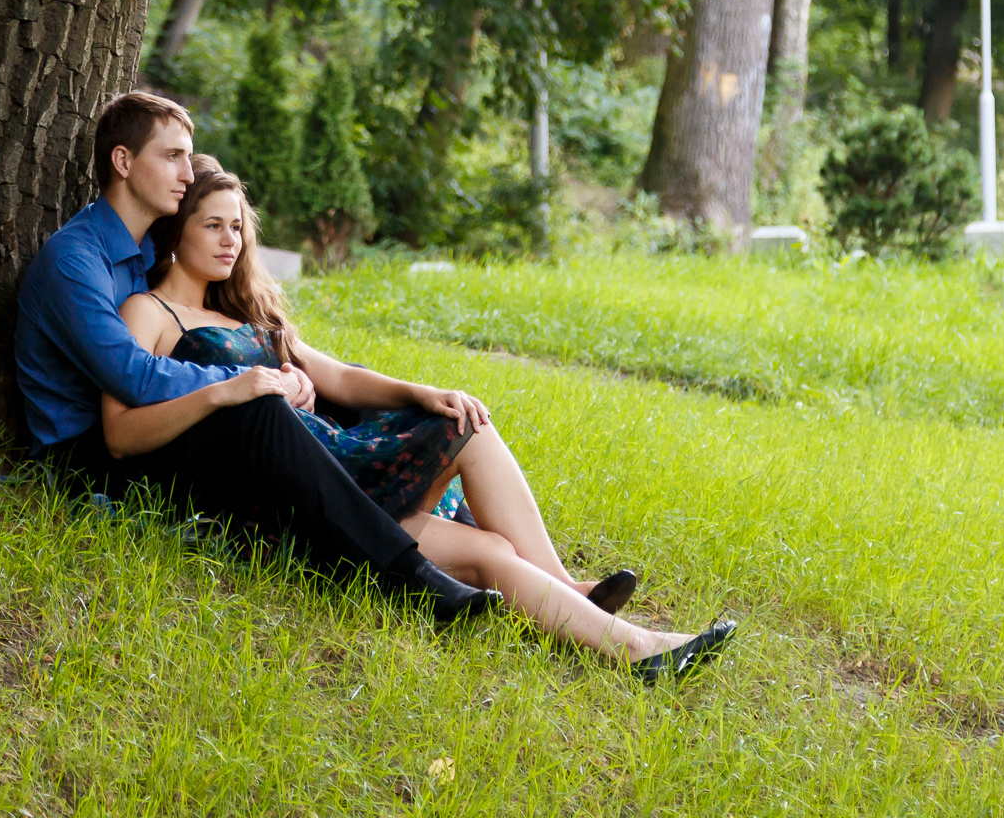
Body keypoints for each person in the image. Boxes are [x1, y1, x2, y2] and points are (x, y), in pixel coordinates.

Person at [109, 164, 737, 683]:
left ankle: (624, 634)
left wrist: (425, 391)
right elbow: (125, 427)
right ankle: (616, 628)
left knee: (471, 457)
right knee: (473, 474)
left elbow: (343, 378)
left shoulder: (250, 316)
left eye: (238, 227)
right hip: (302, 488)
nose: (230, 240)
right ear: (175, 231)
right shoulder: (152, 312)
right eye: (212, 225)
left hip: (341, 465)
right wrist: (233, 391)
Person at [14, 91, 500, 624]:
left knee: (336, 394)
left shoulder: (146, 250)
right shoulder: (75, 261)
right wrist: (246, 378)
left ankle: (458, 521)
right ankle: (410, 576)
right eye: (172, 156)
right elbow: (132, 376)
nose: (187, 171)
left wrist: (280, 372)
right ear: (124, 162)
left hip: (157, 426)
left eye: (187, 155)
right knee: (261, 406)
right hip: (88, 458)